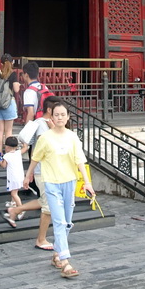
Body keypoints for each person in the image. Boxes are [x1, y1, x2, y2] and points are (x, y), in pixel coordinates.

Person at [24, 101, 95, 278]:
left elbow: (80, 161)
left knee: (67, 221)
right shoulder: (45, 138)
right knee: (59, 221)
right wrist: (28, 175)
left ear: (68, 117)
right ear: (52, 116)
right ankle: (65, 262)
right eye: (57, 115)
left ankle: (57, 253)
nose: (60, 117)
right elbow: (36, 157)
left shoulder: (72, 137)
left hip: (69, 183)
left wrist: (87, 183)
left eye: (63, 114)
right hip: (51, 183)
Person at [13, 95, 62, 249]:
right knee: (48, 205)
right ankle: (41, 239)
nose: (60, 115)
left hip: (50, 170)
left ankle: (16, 209)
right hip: (44, 170)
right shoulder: (42, 125)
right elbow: (43, 148)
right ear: (49, 110)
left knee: (47, 201)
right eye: (57, 112)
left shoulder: (49, 124)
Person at [0, 54, 21, 157]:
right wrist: (18, 85)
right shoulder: (12, 74)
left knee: (0, 130)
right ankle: (9, 154)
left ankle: (0, 154)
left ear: (1, 63)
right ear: (12, 63)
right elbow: (16, 89)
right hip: (8, 104)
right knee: (8, 130)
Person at [0, 136, 26, 224]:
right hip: (20, 176)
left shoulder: (7, 156)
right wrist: (24, 141)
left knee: (14, 193)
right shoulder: (18, 152)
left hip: (13, 178)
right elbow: (25, 147)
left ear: (6, 146)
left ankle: (21, 209)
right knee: (15, 191)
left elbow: (3, 165)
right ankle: (13, 203)